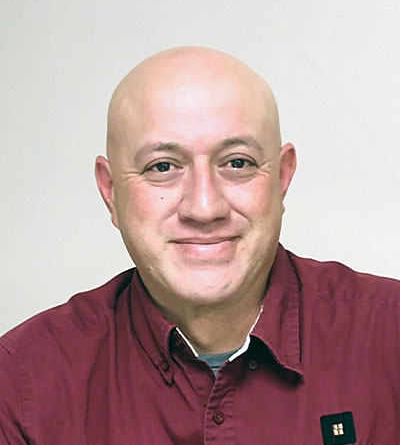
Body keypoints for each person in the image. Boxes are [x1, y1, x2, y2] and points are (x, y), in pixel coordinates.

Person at [0, 46, 399, 445]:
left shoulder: (390, 338)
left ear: (281, 177)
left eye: (237, 163)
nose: (205, 208)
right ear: (110, 192)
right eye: (162, 167)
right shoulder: (21, 384)